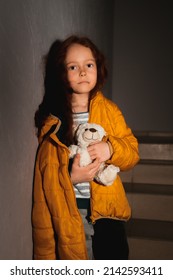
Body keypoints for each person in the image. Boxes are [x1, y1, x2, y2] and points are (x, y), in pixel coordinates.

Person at [32, 35, 139, 260]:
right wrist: (70, 178)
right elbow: (47, 182)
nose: (82, 71)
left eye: (88, 65)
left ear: (98, 68)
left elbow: (132, 152)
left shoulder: (110, 111)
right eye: (73, 66)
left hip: (108, 213)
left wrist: (111, 149)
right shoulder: (54, 122)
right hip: (72, 212)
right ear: (62, 74)